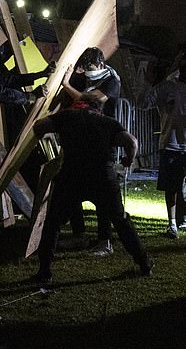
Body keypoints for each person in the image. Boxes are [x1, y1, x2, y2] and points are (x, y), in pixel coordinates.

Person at [31, 93, 154, 282]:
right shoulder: (108, 122)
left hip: (72, 177)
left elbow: (39, 126)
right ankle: (144, 262)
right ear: (97, 108)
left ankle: (44, 271)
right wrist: (128, 160)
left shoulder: (66, 116)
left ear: (78, 104)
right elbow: (132, 142)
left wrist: (48, 136)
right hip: (103, 178)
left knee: (53, 223)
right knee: (121, 221)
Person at [58, 47, 121, 255]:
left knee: (102, 194)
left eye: (92, 68)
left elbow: (90, 100)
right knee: (72, 188)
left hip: (102, 142)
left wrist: (66, 84)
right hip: (82, 140)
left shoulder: (112, 80)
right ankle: (79, 235)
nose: (89, 72)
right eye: (86, 68)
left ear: (101, 65)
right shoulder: (85, 78)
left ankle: (105, 241)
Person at [140, 50, 186, 238]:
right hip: (171, 145)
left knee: (176, 186)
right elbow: (143, 103)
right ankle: (172, 224)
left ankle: (179, 221)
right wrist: (148, 83)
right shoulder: (166, 87)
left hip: (176, 145)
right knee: (171, 186)